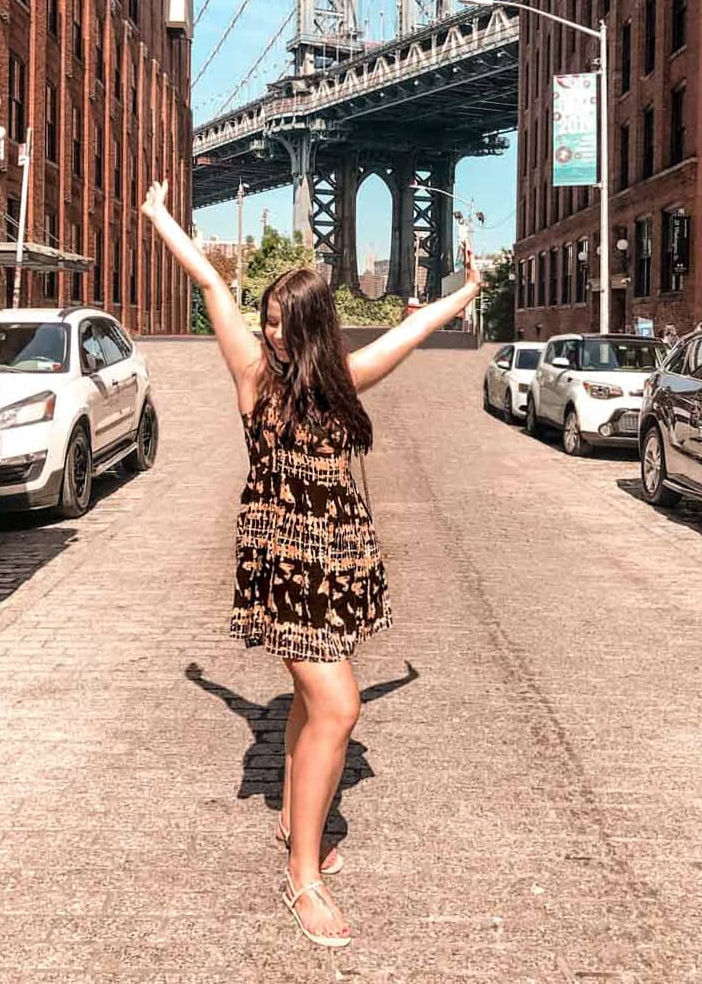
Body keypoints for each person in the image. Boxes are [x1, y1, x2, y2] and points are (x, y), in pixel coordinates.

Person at [142, 181, 480, 949]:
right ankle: (302, 876)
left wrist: (467, 290)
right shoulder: (251, 375)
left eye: (284, 328)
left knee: (305, 704)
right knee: (338, 707)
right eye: (264, 324)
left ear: (315, 331)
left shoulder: (340, 382)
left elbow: (416, 328)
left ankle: (296, 823)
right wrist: (161, 217)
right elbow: (207, 281)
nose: (271, 338)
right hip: (284, 567)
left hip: (339, 565)